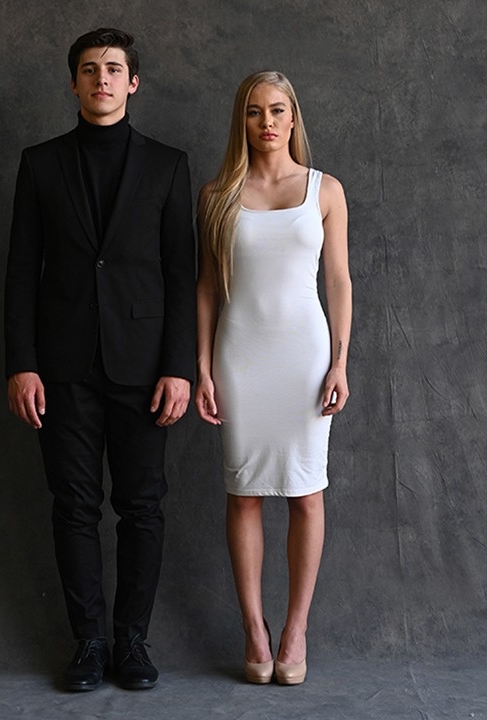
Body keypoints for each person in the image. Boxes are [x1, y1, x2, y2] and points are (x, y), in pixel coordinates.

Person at [4, 28, 196, 692]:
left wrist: (180, 365)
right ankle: (88, 642)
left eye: (114, 69)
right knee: (74, 506)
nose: (102, 79)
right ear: (74, 83)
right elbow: (21, 273)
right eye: (90, 70)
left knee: (143, 507)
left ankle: (132, 643)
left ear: (133, 82)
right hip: (61, 367)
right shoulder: (40, 164)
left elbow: (181, 274)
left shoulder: (169, 165)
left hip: (145, 368)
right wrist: (21, 362)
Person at [194, 71, 351, 686]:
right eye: (256, 112)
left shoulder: (325, 190)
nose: (267, 122)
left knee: (308, 493)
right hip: (241, 354)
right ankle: (254, 629)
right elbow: (207, 287)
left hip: (305, 355)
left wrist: (340, 360)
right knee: (245, 493)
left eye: (278, 111)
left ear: (293, 118)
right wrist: (202, 367)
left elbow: (337, 281)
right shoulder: (215, 195)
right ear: (243, 120)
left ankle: (295, 629)